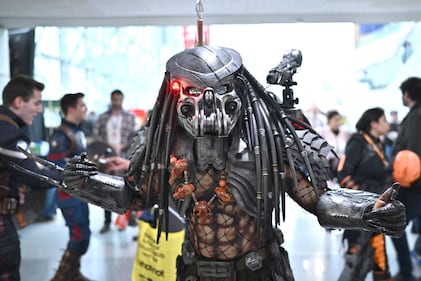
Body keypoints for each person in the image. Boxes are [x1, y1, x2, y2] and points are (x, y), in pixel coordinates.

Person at [47, 46, 405, 281]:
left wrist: (365, 210)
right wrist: (86, 183)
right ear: (177, 91)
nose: (207, 106)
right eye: (192, 92)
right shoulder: (166, 144)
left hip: (258, 270)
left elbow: (318, 200)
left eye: (219, 92)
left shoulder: (268, 140)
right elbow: (135, 197)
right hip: (193, 270)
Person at [0, 75, 63, 281]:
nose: (40, 109)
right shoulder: (8, 132)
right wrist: (71, 179)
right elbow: (33, 175)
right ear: (19, 101)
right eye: (36, 103)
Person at [336, 107, 392, 281]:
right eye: (384, 120)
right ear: (373, 124)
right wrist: (363, 202)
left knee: (379, 259)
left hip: (377, 214)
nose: (387, 124)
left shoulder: (378, 143)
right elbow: (343, 175)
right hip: (359, 216)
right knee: (355, 262)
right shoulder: (357, 143)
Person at [47, 93, 91, 281]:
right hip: (69, 196)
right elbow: (55, 169)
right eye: (82, 105)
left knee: (83, 235)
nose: (85, 109)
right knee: (79, 236)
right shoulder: (61, 136)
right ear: (71, 109)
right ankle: (62, 275)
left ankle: (72, 272)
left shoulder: (78, 132)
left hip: (81, 193)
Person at [93, 89, 137, 234]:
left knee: (127, 187)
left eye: (119, 99)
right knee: (106, 189)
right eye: (115, 99)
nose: (117, 102)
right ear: (111, 100)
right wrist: (106, 147)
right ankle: (107, 221)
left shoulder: (130, 117)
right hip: (106, 158)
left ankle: (129, 217)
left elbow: (135, 137)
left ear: (122, 100)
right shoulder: (103, 118)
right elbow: (96, 136)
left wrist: (123, 146)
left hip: (124, 157)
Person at [390, 77, 421, 281]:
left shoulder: (416, 117)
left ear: (407, 93)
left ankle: (407, 270)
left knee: (395, 225)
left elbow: (412, 153)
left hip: (414, 185)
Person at [320, 110, 350, 184]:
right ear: (329, 121)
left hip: (342, 166)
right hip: (327, 167)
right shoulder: (323, 133)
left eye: (339, 120)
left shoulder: (345, 134)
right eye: (335, 120)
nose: (338, 123)